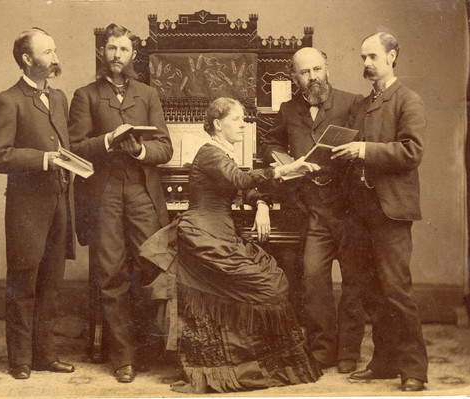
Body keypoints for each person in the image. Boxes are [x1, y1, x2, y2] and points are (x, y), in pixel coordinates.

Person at [140, 97, 323, 393]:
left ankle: (241, 361)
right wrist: (286, 169)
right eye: (237, 120)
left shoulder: (221, 153)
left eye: (243, 119)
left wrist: (260, 203)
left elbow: (241, 187)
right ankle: (229, 365)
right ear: (217, 124)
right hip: (204, 235)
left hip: (221, 232)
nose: (244, 124)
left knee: (271, 284)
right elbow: (237, 178)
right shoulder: (210, 153)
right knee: (266, 287)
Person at [68, 23, 173, 383]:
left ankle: (148, 349)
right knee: (111, 274)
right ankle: (123, 357)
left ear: (133, 55)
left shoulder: (148, 93)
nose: (117, 56)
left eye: (124, 49)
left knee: (150, 267)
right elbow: (75, 148)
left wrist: (142, 149)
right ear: (103, 53)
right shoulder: (85, 95)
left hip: (142, 190)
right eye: (111, 48)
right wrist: (109, 141)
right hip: (105, 191)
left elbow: (165, 147)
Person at [332, 32, 428, 392]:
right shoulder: (362, 104)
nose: (366, 64)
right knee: (370, 292)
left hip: (391, 211)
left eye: (373, 57)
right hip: (361, 210)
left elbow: (411, 153)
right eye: (362, 58)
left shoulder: (408, 100)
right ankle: (384, 361)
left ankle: (414, 369)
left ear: (392, 56)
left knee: (397, 292)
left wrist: (364, 151)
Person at [261, 47, 366, 373]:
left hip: (349, 208)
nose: (312, 77)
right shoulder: (288, 109)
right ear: (294, 77)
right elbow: (270, 143)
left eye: (317, 69)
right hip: (315, 210)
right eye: (305, 72)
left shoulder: (352, 103)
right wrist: (288, 162)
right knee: (314, 280)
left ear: (327, 68)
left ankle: (349, 352)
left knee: (354, 281)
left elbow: (366, 144)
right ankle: (323, 349)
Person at [0, 28, 75, 379]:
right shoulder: (7, 100)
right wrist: (43, 160)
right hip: (27, 211)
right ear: (27, 59)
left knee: (51, 284)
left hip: (60, 205)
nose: (55, 59)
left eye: (55, 51)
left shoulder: (60, 97)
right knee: (23, 285)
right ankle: (20, 360)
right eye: (48, 52)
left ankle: (44, 355)